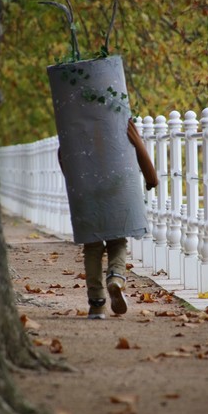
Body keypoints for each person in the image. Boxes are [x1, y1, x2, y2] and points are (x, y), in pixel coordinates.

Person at [59, 118, 158, 319]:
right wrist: (149, 180)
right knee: (118, 242)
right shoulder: (124, 130)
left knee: (92, 248)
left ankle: (96, 304)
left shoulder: (74, 137)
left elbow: (66, 167)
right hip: (118, 194)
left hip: (86, 198)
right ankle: (116, 278)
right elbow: (152, 178)